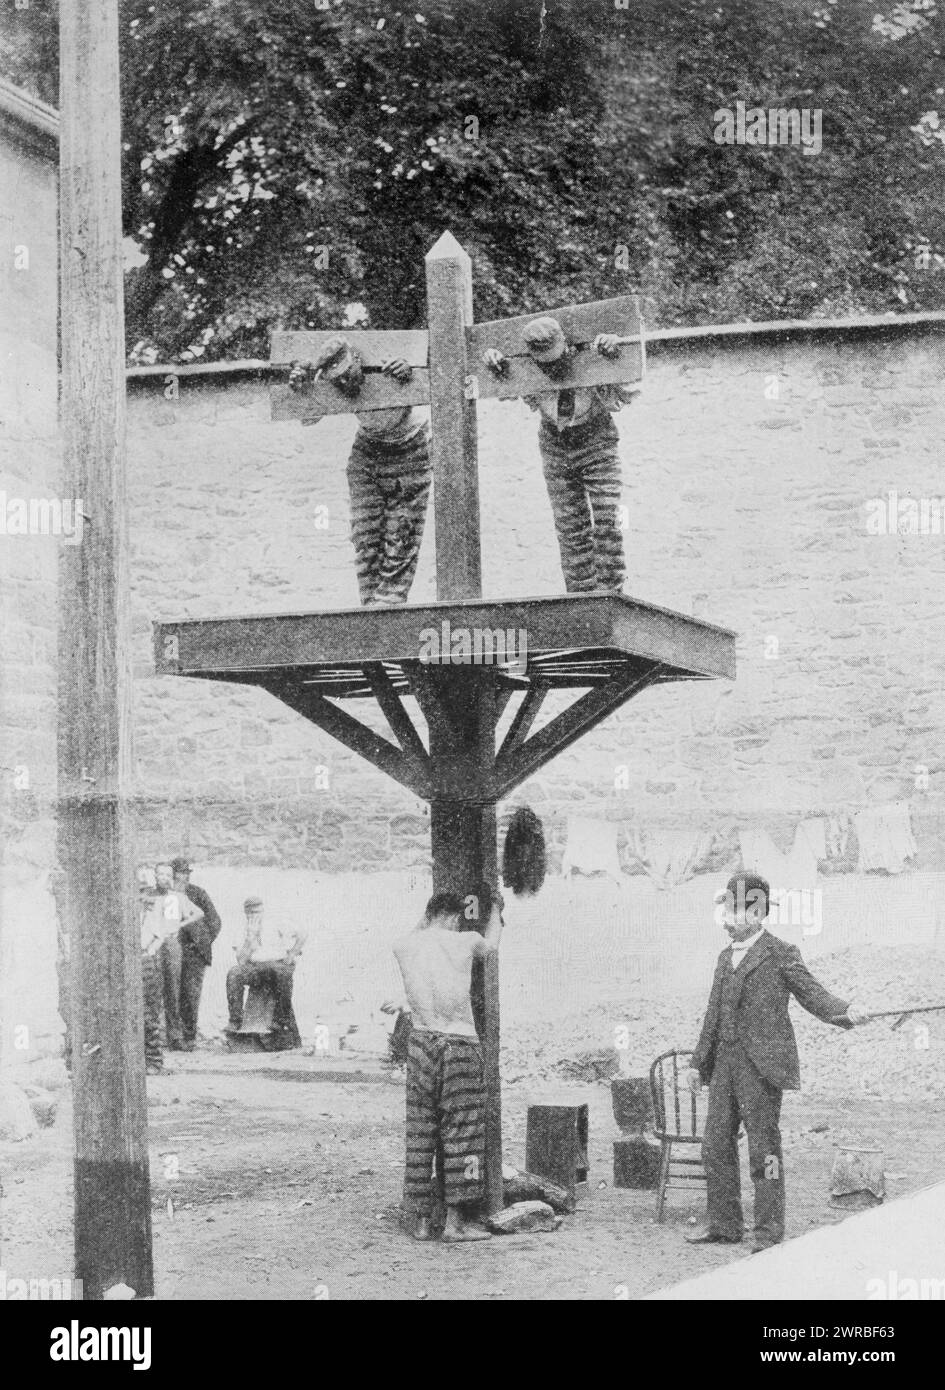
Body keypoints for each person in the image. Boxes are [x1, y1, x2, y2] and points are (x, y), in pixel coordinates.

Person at [685, 872, 868, 1253]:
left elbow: (813, 995)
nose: (725, 918)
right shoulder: (724, 958)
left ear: (755, 912)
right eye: (724, 909)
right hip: (725, 1067)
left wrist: (848, 1012)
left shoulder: (781, 953)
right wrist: (697, 1063)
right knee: (715, 1145)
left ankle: (768, 1232)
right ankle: (724, 1224)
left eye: (733, 910)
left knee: (764, 1150)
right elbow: (712, 1015)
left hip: (761, 1069)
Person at [482, 316, 637, 593]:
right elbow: (502, 387)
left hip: (597, 440)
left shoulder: (590, 354)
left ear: (566, 344)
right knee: (570, 529)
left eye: (556, 359)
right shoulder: (527, 365)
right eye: (544, 362)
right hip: (555, 445)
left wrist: (615, 349)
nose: (552, 367)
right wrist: (494, 362)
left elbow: (628, 390)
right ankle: (579, 597)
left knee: (612, 518)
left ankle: (613, 594)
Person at [392, 887, 503, 1242]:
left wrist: (425, 920)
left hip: (421, 1042)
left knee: (421, 1132)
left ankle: (421, 1220)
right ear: (456, 916)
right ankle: (456, 1223)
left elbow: (415, 931)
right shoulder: (468, 940)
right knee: (464, 1134)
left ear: (428, 914)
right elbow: (493, 945)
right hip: (460, 1043)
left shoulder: (405, 945)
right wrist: (497, 910)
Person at [289, 335, 432, 605]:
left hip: (410, 445)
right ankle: (369, 605)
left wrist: (407, 372)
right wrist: (303, 390)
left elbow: (423, 381)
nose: (345, 383)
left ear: (357, 359)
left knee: (401, 533)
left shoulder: (388, 363)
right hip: (368, 449)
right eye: (337, 380)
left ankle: (389, 602)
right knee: (364, 536)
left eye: (347, 374)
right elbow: (308, 419)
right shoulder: (328, 380)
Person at [226, 896, 305, 1043]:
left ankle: (281, 1020)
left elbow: (302, 934)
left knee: (281, 973)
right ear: (245, 913)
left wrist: (292, 953)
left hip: (277, 963)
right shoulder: (242, 928)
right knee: (234, 974)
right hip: (255, 968)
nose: (254, 916)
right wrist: (250, 938)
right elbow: (241, 961)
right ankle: (235, 1019)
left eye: (257, 912)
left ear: (263, 911)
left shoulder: (276, 922)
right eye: (250, 913)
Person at [149, 860, 205, 1052]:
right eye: (160, 874)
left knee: (172, 991)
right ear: (155, 876)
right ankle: (151, 1037)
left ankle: (174, 1037)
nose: (163, 878)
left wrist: (180, 925)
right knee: (151, 990)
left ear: (172, 879)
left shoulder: (177, 897)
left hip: (171, 945)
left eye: (167, 875)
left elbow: (198, 913)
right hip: (151, 946)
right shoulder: (148, 897)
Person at [170, 857, 222, 1050]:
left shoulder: (197, 894)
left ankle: (189, 1038)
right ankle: (174, 1038)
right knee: (172, 994)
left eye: (184, 873)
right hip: (172, 950)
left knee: (190, 995)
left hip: (193, 953)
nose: (181, 877)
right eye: (177, 874)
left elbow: (215, 921)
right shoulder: (166, 896)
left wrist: (202, 943)